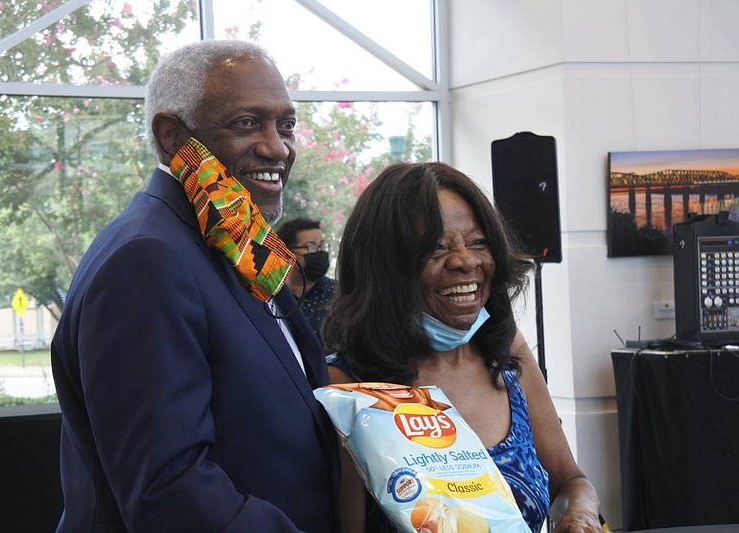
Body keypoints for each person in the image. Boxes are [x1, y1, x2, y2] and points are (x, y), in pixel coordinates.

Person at [51, 40, 340, 532]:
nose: (276, 147)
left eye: (285, 124)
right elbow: (169, 490)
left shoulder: (230, 236)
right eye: (246, 123)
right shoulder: (148, 259)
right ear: (172, 137)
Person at [322, 162, 606, 533]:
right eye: (436, 249)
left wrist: (580, 514)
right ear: (384, 267)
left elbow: (569, 481)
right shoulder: (347, 386)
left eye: (478, 243)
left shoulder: (506, 350)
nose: (466, 261)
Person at [277, 216, 336, 344]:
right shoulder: (271, 296)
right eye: (311, 246)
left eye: (323, 245)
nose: (320, 252)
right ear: (287, 252)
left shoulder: (338, 294)